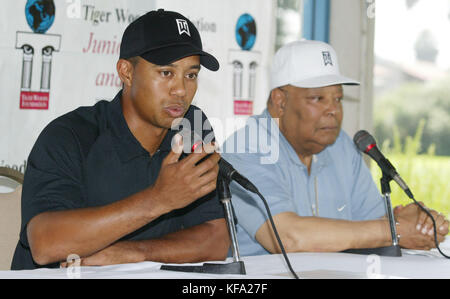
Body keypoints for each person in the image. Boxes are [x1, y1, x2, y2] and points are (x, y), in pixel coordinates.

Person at [11, 9, 230, 270]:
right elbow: (45, 245)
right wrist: (157, 200)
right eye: (166, 73)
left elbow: (216, 239)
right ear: (126, 72)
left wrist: (129, 253)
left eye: (191, 75)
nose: (181, 90)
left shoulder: (192, 125)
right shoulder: (70, 135)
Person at [221, 40, 449, 256]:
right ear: (280, 102)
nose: (333, 110)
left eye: (338, 99)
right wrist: (395, 229)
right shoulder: (246, 149)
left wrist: (415, 223)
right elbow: (286, 237)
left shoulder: (341, 147)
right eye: (318, 98)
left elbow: (375, 224)